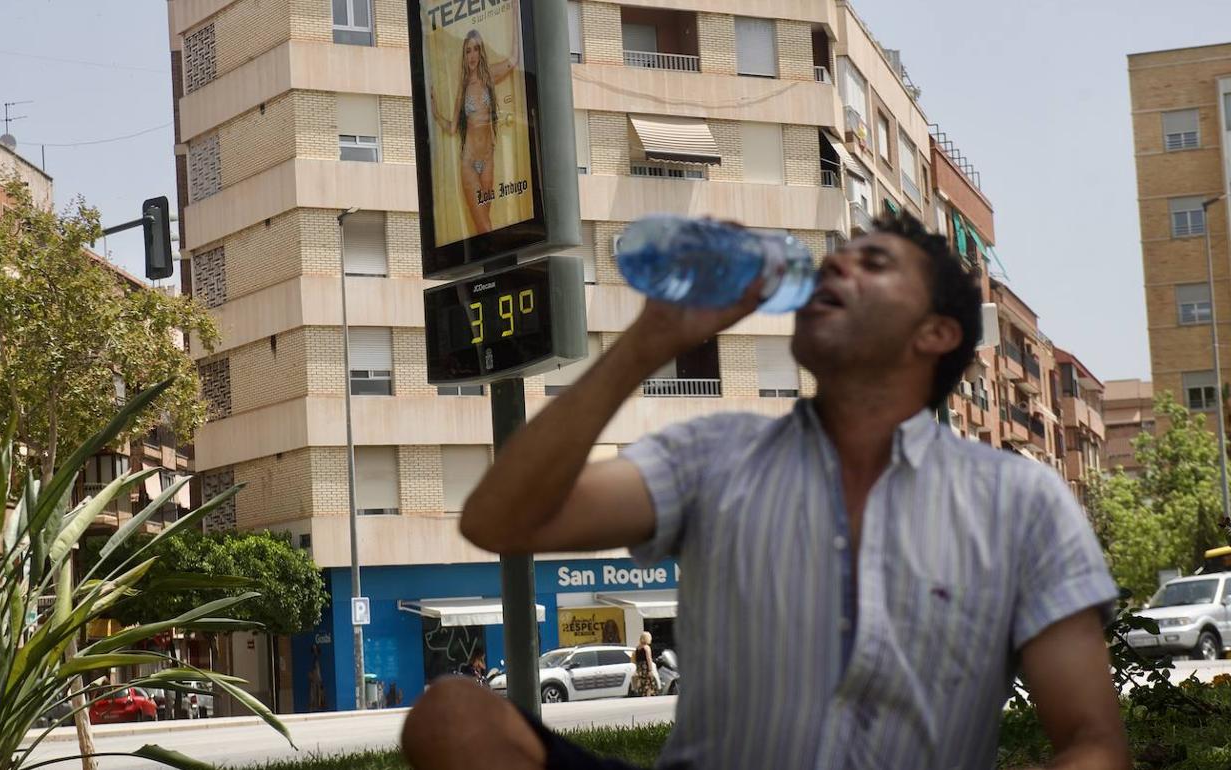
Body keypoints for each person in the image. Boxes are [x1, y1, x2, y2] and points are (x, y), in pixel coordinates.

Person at [401, 211, 1130, 770]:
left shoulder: (1019, 501)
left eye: (871, 263)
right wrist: (648, 343)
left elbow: (1092, 740)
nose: (834, 268)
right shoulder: (713, 456)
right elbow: (500, 520)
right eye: (835, 258)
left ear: (936, 332)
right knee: (453, 717)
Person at [428, 13, 519, 236]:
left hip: (487, 160)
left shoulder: (490, 76)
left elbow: (514, 59)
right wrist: (435, 112)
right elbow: (451, 128)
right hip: (469, 163)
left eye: (476, 49)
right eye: (468, 50)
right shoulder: (463, 85)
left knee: (483, 227)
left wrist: (515, 11)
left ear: (481, 51)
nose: (472, 55)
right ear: (464, 54)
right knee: (484, 227)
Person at [630, 632, 659, 698]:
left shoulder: (637, 648)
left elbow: (634, 659)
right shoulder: (646, 647)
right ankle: (648, 696)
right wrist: (650, 670)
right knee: (649, 682)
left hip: (639, 667)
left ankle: (642, 694)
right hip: (645, 667)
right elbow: (649, 659)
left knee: (642, 682)